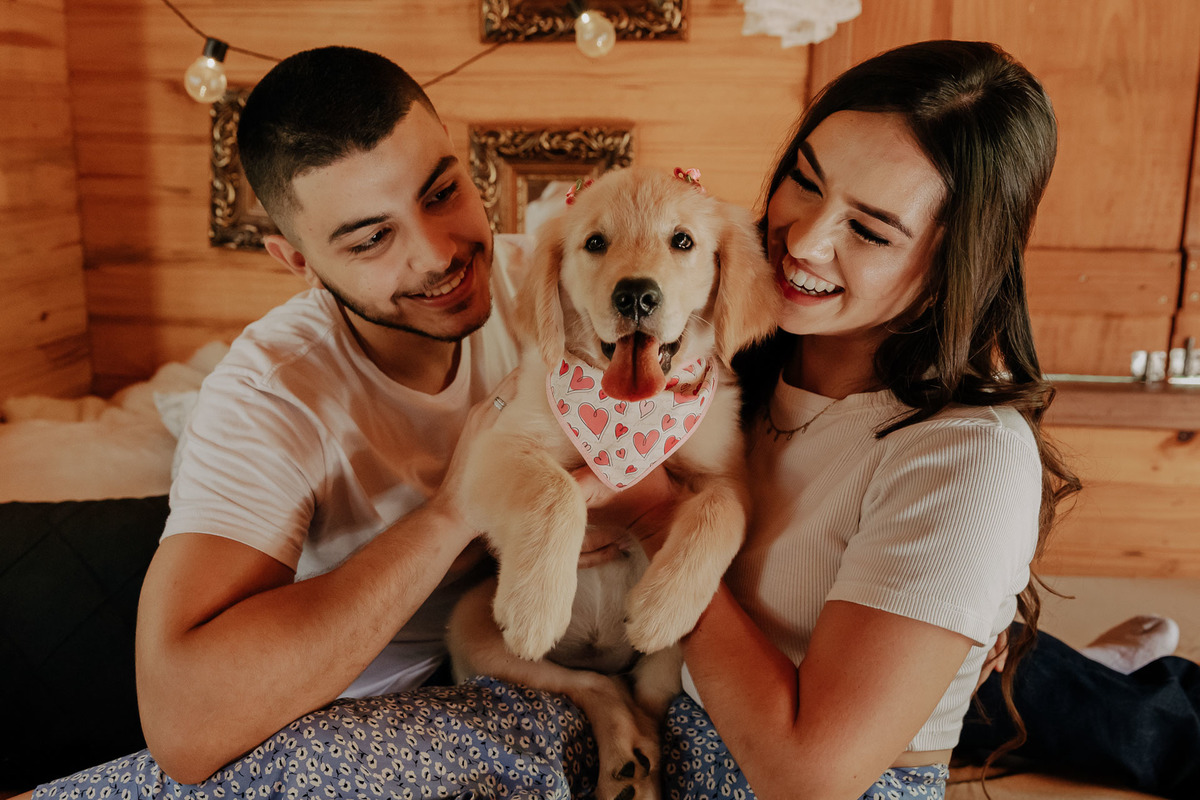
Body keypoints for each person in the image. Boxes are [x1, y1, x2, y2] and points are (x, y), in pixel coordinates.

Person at [21, 41, 1199, 800]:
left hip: (718, 729)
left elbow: (808, 750)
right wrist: (464, 507)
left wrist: (649, 511)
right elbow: (184, 726)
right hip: (561, 693)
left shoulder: (924, 428)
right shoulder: (726, 336)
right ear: (288, 258)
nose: (802, 239)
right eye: (801, 182)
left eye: (442, 192)